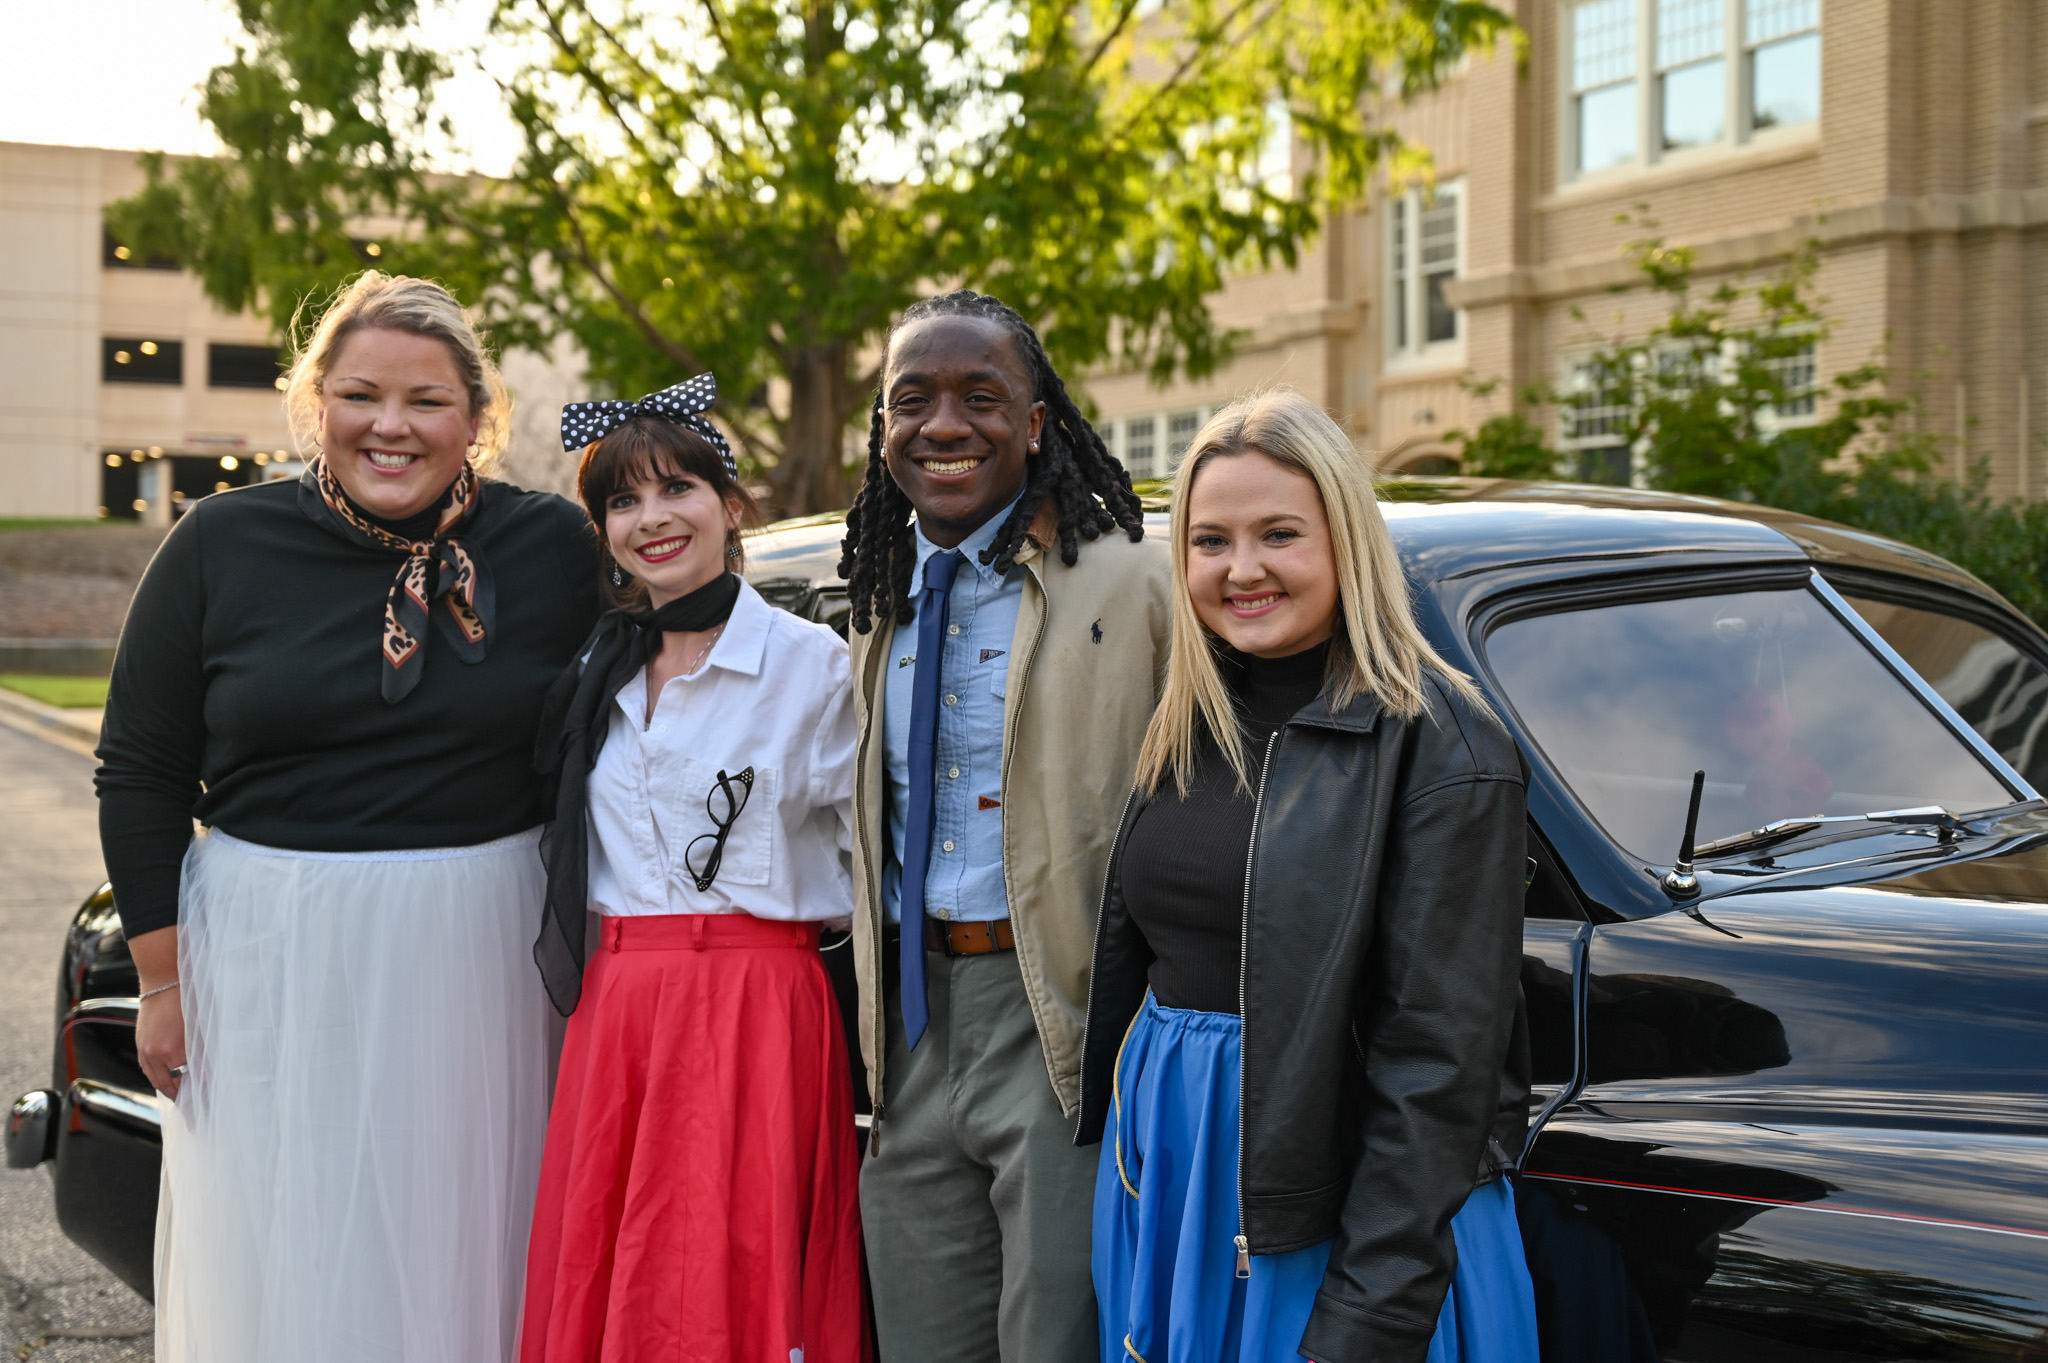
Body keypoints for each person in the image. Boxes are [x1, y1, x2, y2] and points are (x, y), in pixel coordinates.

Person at [97, 272, 601, 1363]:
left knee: (474, 1237)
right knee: (292, 1245)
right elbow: (138, 768)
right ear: (313, 401)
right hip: (272, 947)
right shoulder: (217, 545)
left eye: (427, 401)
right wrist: (161, 984)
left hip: (488, 954)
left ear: (477, 417)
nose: (391, 426)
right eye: (361, 394)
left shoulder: (558, 550)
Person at [1076, 390, 1539, 1363]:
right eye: (1210, 541)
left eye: (1277, 533)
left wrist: (1368, 1317)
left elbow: (1438, 1071)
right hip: (1182, 1178)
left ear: (1344, 540)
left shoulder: (1443, 744)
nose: (1240, 569)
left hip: (1340, 1215)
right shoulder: (1186, 724)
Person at [837, 290, 1172, 1361]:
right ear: (881, 426)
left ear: (1034, 423)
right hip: (909, 1026)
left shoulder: (1136, 579)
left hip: (1064, 1024)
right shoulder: (873, 597)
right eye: (911, 400)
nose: (943, 425)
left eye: (980, 396)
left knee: (1055, 1339)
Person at [520, 376, 869, 1363]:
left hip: (755, 1003)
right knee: (614, 1261)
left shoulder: (812, 664)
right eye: (621, 501)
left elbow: (869, 849)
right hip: (618, 1005)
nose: (651, 519)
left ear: (730, 503)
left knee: (739, 1262)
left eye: (676, 489)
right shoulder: (598, 668)